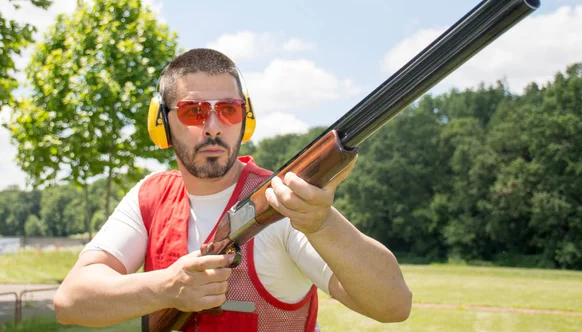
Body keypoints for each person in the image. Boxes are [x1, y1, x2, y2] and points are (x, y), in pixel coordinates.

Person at [53, 48, 412, 331]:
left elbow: (393, 305)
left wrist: (322, 223)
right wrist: (166, 288)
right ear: (161, 121)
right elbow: (71, 301)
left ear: (246, 118)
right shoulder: (150, 194)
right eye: (193, 111)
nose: (212, 127)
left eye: (228, 110)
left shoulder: (281, 202)